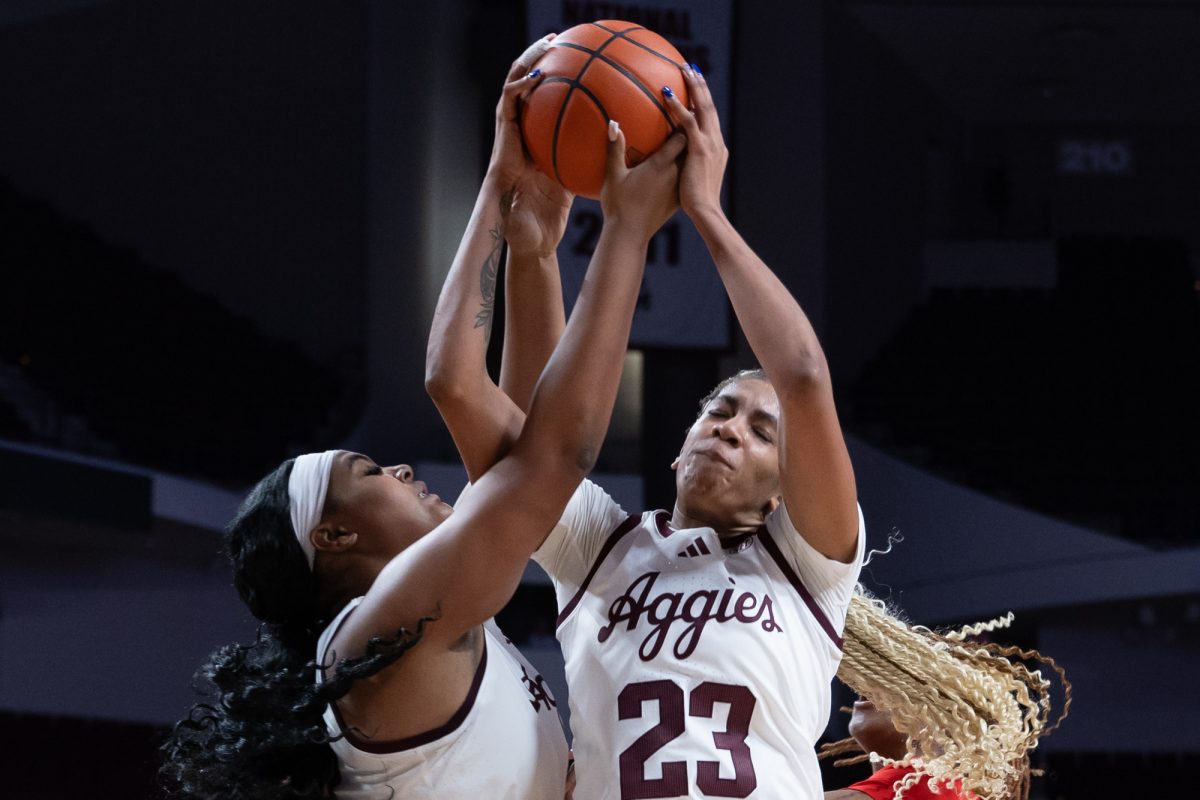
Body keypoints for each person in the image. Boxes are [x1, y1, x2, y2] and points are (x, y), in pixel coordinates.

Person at [160, 46, 685, 799]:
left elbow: (527, 442)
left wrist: (533, 255)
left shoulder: (413, 623)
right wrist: (623, 233)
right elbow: (548, 450)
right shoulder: (390, 627)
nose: (403, 469)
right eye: (370, 472)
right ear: (334, 538)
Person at [428, 64, 865, 800]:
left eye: (762, 432)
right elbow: (541, 441)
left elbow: (803, 378)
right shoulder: (601, 549)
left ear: (783, 495)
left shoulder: (809, 569)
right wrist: (533, 251)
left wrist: (705, 212)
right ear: (678, 444)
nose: (729, 430)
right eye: (720, 411)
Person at [821, 590, 1072, 800]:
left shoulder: (925, 788)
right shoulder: (944, 791)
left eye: (902, 682)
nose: (871, 686)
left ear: (944, 720)